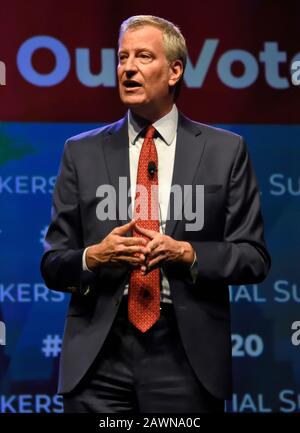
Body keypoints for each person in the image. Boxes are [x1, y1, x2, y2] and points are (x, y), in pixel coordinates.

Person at [41, 15, 271, 413]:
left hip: (184, 355)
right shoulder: (80, 151)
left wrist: (188, 253)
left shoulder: (225, 150)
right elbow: (53, 263)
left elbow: (254, 257)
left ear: (175, 70)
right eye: (122, 57)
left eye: (143, 57)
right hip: (98, 356)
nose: (127, 68)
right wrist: (94, 256)